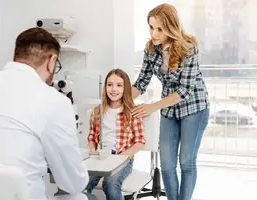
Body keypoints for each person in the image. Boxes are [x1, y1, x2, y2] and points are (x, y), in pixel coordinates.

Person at [0, 27, 92, 200]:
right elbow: (73, 182)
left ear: (16, 56)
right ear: (52, 61)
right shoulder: (54, 100)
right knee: (78, 196)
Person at [131, 4, 210, 200]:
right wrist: (119, 100)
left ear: (172, 26)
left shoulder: (189, 48)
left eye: (159, 28)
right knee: (166, 165)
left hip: (194, 107)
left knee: (186, 162)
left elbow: (184, 90)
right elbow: (142, 81)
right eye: (151, 27)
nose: (154, 33)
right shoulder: (150, 49)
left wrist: (152, 106)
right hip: (169, 110)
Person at [86, 69, 146, 200]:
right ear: (105, 87)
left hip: (122, 159)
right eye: (109, 84)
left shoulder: (132, 112)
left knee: (110, 185)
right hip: (101, 156)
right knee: (82, 183)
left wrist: (120, 158)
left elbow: (140, 141)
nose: (114, 89)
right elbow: (91, 137)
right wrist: (93, 153)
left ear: (125, 89)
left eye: (119, 85)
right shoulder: (97, 111)